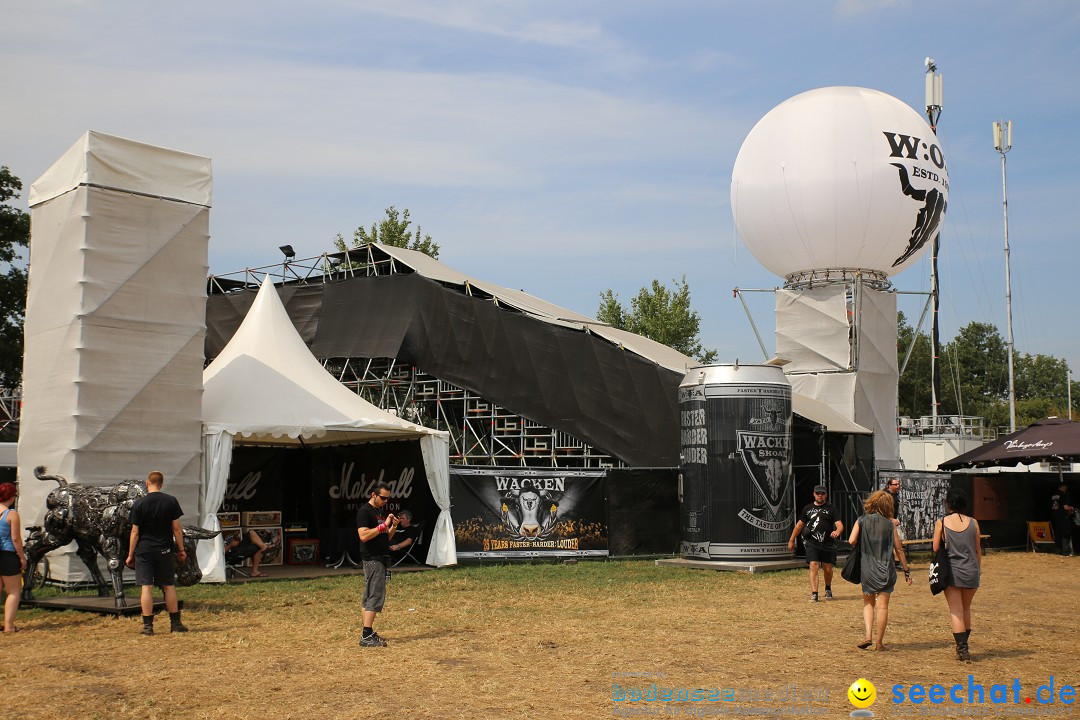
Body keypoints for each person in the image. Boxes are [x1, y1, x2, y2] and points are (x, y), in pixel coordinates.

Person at [125, 471, 188, 636]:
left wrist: (130, 554)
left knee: (146, 587)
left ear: (147, 483)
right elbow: (176, 528)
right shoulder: (170, 501)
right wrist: (181, 550)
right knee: (169, 585)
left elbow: (135, 532)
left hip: (144, 550)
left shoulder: (139, 504)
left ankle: (148, 627)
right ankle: (175, 624)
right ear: (161, 483)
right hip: (164, 550)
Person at [848, 490, 911, 651]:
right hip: (886, 569)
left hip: (867, 569)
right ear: (888, 506)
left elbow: (851, 540)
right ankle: (879, 643)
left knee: (868, 603)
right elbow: (899, 550)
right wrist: (906, 571)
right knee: (882, 606)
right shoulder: (890, 525)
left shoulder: (861, 520)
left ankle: (868, 635)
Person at [933, 488, 982, 661]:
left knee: (956, 611)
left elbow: (935, 548)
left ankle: (963, 650)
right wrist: (978, 569)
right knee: (966, 608)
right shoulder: (974, 523)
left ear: (948, 503)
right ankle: (964, 647)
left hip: (952, 572)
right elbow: (977, 550)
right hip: (971, 571)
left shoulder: (942, 522)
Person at [356, 482, 398, 647]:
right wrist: (382, 526)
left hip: (380, 557)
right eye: (383, 498)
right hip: (373, 558)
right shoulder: (364, 512)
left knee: (369, 595)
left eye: (388, 498)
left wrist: (392, 526)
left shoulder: (379, 511)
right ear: (373, 495)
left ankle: (368, 631)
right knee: (375, 595)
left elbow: (385, 537)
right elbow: (364, 536)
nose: (385, 501)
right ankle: (366, 635)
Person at [787, 485, 843, 602]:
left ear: (826, 495)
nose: (820, 495)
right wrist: (792, 540)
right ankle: (814, 593)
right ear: (814, 494)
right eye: (818, 493)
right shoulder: (808, 508)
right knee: (813, 565)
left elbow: (839, 525)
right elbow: (799, 525)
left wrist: (837, 531)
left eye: (822, 493)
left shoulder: (831, 508)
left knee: (827, 568)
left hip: (828, 543)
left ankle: (828, 588)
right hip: (812, 542)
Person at [0, 482, 25, 634]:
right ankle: (9, 626)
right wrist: (22, 557)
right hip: (8, 555)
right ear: (11, 497)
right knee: (14, 591)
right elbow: (15, 539)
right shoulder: (11, 514)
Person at [1050, 482, 1075, 556]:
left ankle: (1058, 550)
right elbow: (1066, 507)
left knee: (1058, 534)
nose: (1066, 488)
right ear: (1062, 487)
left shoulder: (1053, 495)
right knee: (1065, 534)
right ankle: (1065, 552)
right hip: (1064, 517)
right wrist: (1072, 508)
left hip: (1056, 517)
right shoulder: (1063, 495)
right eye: (1065, 487)